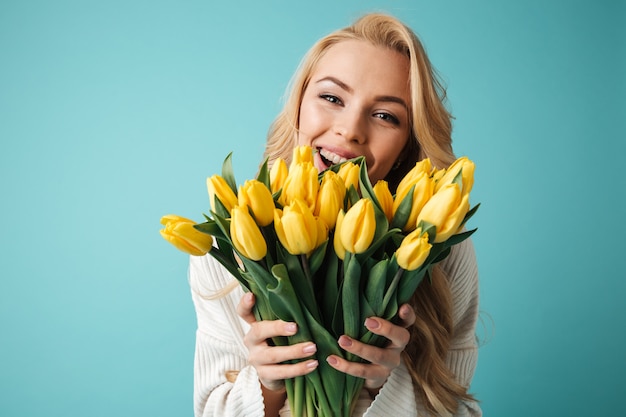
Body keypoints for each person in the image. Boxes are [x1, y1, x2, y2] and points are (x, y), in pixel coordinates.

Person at [188, 12, 481, 417]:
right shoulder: (234, 236)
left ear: (406, 145)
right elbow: (210, 410)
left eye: (385, 116)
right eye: (332, 98)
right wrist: (267, 384)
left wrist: (383, 386)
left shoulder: (436, 247)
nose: (350, 130)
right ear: (298, 107)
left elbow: (459, 411)